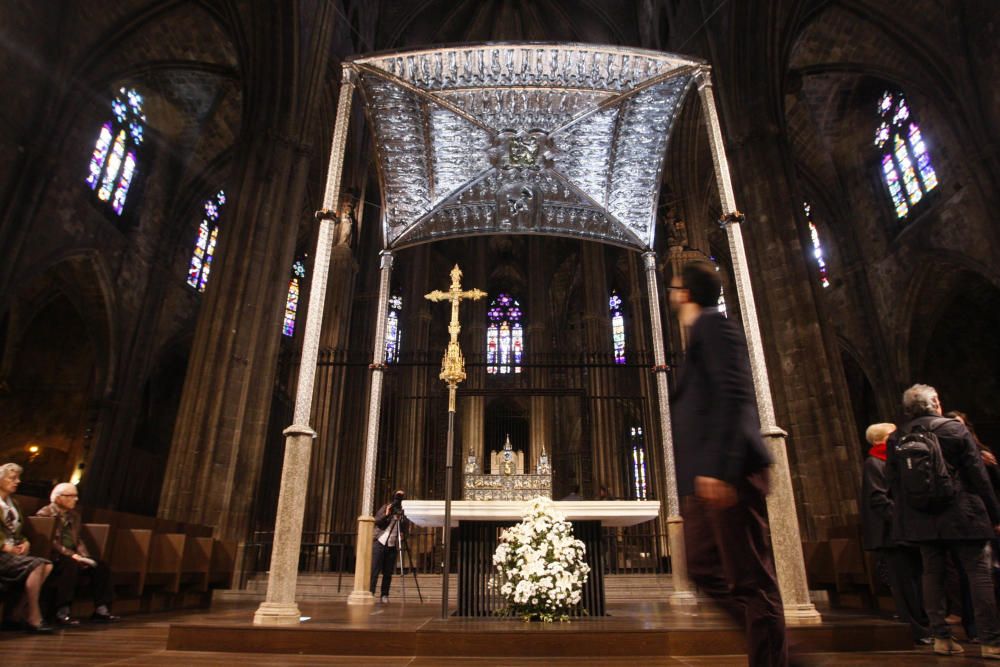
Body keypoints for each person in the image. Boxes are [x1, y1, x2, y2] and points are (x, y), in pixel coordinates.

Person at [668, 260, 786, 667]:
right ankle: (778, 649)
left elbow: (734, 397)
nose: (671, 294)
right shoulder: (700, 337)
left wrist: (722, 469)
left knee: (750, 578)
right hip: (708, 479)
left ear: (686, 293)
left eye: (674, 288)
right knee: (702, 567)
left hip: (728, 475)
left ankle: (774, 656)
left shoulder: (715, 328)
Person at [886, 384, 1000, 658]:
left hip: (923, 517)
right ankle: (991, 642)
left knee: (932, 574)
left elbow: (895, 482)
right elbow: (978, 475)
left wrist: (908, 517)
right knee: (978, 573)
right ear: (935, 402)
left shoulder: (898, 437)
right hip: (962, 512)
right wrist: (994, 514)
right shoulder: (954, 429)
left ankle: (941, 638)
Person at [860, 422, 930, 644]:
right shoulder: (874, 462)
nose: (897, 438)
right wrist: (901, 520)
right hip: (891, 533)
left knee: (917, 579)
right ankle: (916, 630)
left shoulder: (897, 461)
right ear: (879, 439)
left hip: (907, 531)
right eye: (892, 435)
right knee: (904, 584)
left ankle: (926, 625)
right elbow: (878, 498)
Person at [35, 483, 118, 625]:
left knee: (100, 565)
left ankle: (101, 609)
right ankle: (62, 611)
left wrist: (84, 557)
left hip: (73, 555)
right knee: (69, 565)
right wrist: (72, 555)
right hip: (54, 555)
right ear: (59, 498)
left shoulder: (74, 516)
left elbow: (77, 539)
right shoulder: (44, 513)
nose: (76, 499)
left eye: (76, 496)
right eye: (71, 496)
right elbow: (51, 541)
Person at [0, 463, 53, 633]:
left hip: (13, 553)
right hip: (2, 553)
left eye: (18, 478)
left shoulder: (14, 504)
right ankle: (34, 616)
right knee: (38, 565)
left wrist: (26, 542)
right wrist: (4, 546)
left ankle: (14, 614)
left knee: (47, 565)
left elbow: (17, 531)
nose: (17, 481)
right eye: (12, 478)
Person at [370, 489, 410, 604]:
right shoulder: (386, 507)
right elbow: (377, 521)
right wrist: (387, 514)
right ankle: (371, 593)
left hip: (392, 545)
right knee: (374, 570)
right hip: (380, 543)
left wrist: (403, 531)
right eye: (398, 495)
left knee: (388, 573)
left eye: (402, 496)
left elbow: (406, 530)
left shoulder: (404, 512)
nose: (400, 498)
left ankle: (384, 595)